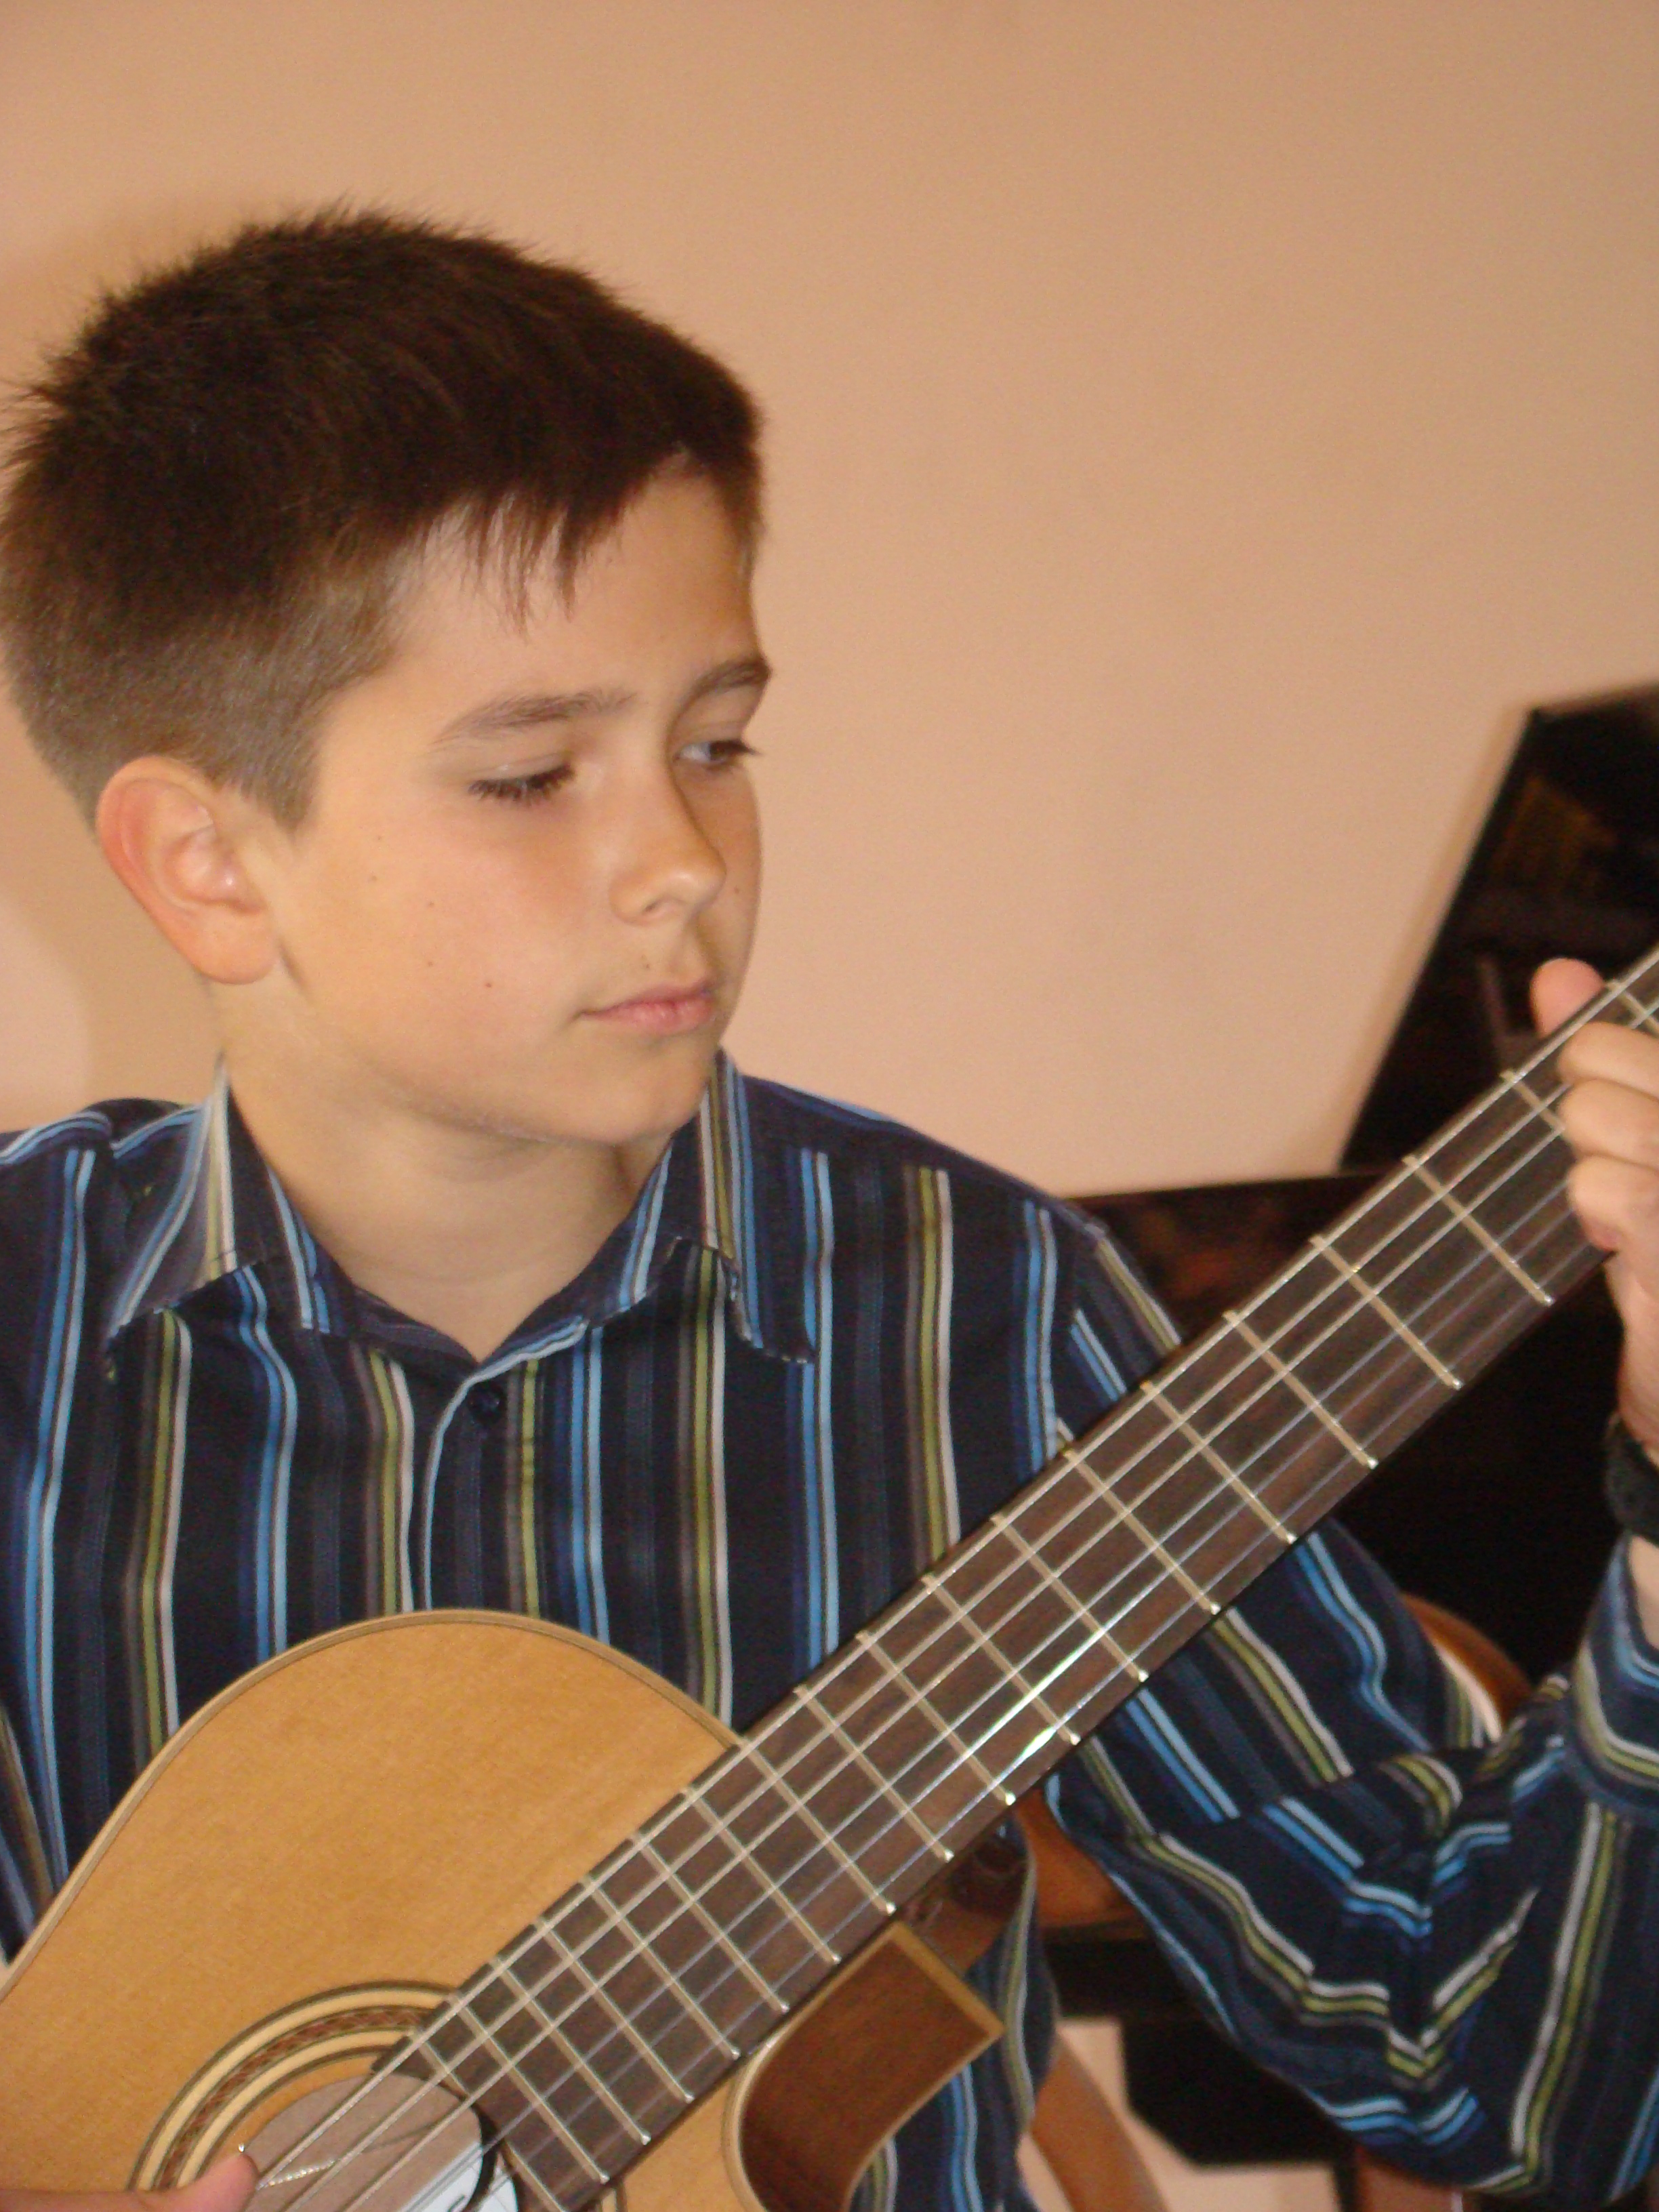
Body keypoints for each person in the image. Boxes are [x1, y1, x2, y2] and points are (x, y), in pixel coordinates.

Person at [1, 211, 1658, 2212]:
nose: (683, 860)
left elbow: (1504, 2072)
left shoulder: (982, 1322)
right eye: (531, 776)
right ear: (205, 863)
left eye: (715, 743)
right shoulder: (26, 1333)